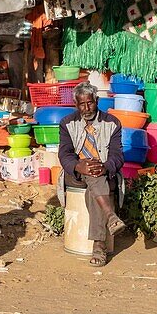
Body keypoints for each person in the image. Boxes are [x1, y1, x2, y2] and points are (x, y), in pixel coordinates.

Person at [57, 81, 126, 267]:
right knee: (92, 173)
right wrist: (79, 166)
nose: (87, 108)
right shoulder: (67, 123)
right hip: (77, 172)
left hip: (104, 173)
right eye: (82, 104)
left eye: (90, 103)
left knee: (95, 180)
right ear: (76, 105)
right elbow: (64, 153)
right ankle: (108, 222)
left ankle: (99, 244)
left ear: (96, 101)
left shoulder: (112, 123)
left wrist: (105, 167)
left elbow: (118, 155)